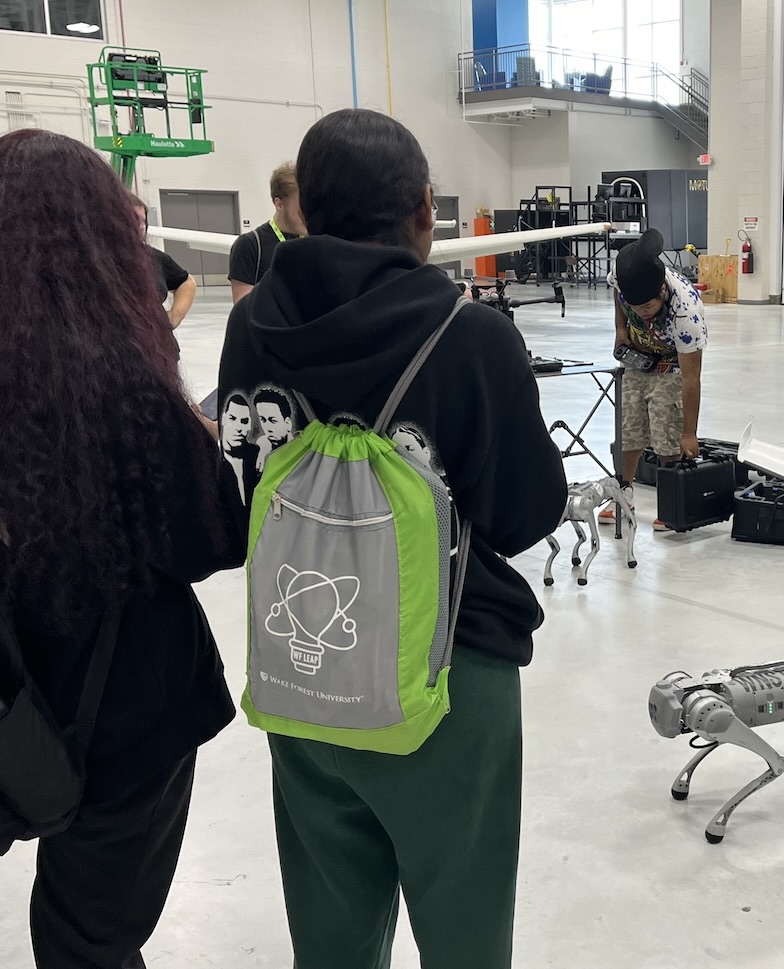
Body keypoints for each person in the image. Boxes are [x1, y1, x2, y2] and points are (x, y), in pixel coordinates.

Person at [216, 108, 567, 969]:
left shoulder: (250, 322)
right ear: (423, 209)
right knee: (464, 932)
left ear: (304, 210)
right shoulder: (467, 333)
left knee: (331, 935)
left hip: (302, 665)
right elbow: (526, 510)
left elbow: (243, 465)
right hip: (444, 680)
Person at [0, 128, 244, 967]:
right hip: (127, 710)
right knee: (89, 938)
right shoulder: (124, 385)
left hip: (11, 701)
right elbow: (212, 537)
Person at [604, 227, 707, 532]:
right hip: (637, 356)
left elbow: (692, 380)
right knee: (628, 428)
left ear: (661, 291)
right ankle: (623, 494)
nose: (642, 313)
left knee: (666, 432)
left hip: (673, 364)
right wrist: (622, 331)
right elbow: (616, 294)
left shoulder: (686, 314)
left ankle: (669, 501)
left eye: (647, 307)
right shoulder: (622, 275)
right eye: (635, 307)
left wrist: (689, 432)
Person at [228, 161, 305, 303]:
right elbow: (243, 309)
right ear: (279, 203)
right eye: (301, 206)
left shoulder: (316, 240)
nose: (307, 213)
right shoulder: (250, 245)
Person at [127, 192, 197, 329]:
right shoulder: (95, 261)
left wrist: (175, 315)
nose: (141, 226)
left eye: (144, 221)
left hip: (158, 341)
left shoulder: (155, 257)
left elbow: (187, 282)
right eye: (134, 220)